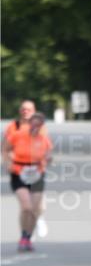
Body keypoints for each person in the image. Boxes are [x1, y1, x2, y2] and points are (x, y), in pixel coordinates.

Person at [2, 105, 53, 252]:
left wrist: (48, 159)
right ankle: (23, 237)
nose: (35, 128)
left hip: (37, 174)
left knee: (35, 210)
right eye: (33, 124)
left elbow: (49, 155)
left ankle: (28, 236)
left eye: (39, 125)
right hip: (19, 172)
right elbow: (4, 148)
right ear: (29, 123)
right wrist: (8, 163)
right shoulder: (18, 134)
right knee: (26, 207)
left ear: (42, 126)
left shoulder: (43, 138)